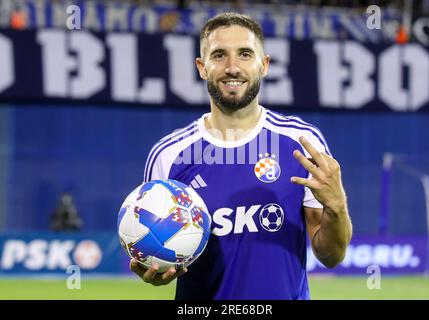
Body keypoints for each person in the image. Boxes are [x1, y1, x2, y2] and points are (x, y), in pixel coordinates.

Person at [130, 12, 352, 300]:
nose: (232, 67)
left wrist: (337, 206)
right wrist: (156, 270)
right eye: (219, 55)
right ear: (202, 67)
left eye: (245, 54)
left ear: (264, 65)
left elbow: (331, 256)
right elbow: (156, 253)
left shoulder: (302, 142)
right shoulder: (168, 155)